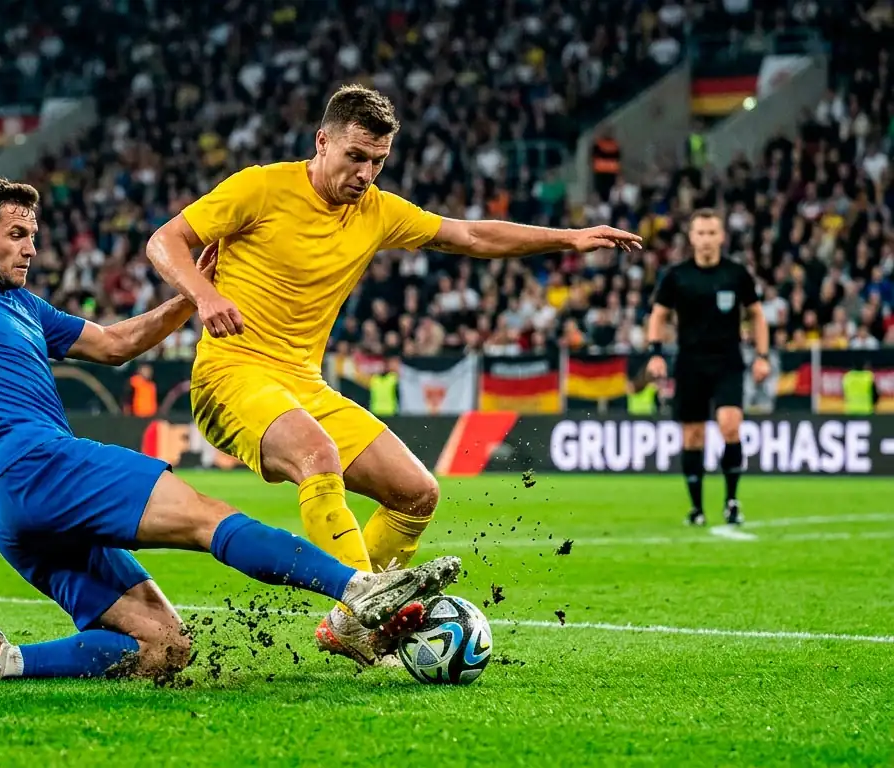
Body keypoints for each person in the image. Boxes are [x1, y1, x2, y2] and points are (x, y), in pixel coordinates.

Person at [0, 177, 460, 682]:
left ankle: (7, 664)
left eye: (33, 233)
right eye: (17, 234)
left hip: (13, 506)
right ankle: (361, 589)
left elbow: (119, 343)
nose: (31, 246)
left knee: (164, 650)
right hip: (32, 463)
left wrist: (196, 295)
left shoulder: (29, 309)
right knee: (205, 518)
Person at [145, 84, 641, 665]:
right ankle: (364, 600)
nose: (366, 173)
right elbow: (166, 240)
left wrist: (568, 238)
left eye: (378, 161)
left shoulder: (377, 210)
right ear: (322, 141)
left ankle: (347, 623)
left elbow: (471, 234)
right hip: (231, 373)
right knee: (316, 452)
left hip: (303, 382)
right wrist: (203, 295)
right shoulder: (260, 186)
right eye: (355, 157)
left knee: (416, 493)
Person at [646, 209, 770, 527]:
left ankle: (731, 501)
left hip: (728, 360)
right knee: (693, 436)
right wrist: (656, 352)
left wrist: (762, 355)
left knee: (730, 425)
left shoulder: (736, 274)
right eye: (700, 233)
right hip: (689, 362)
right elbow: (658, 315)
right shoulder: (676, 276)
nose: (706, 239)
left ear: (722, 236)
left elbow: (756, 314)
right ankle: (697, 509)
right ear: (691, 237)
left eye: (712, 233)